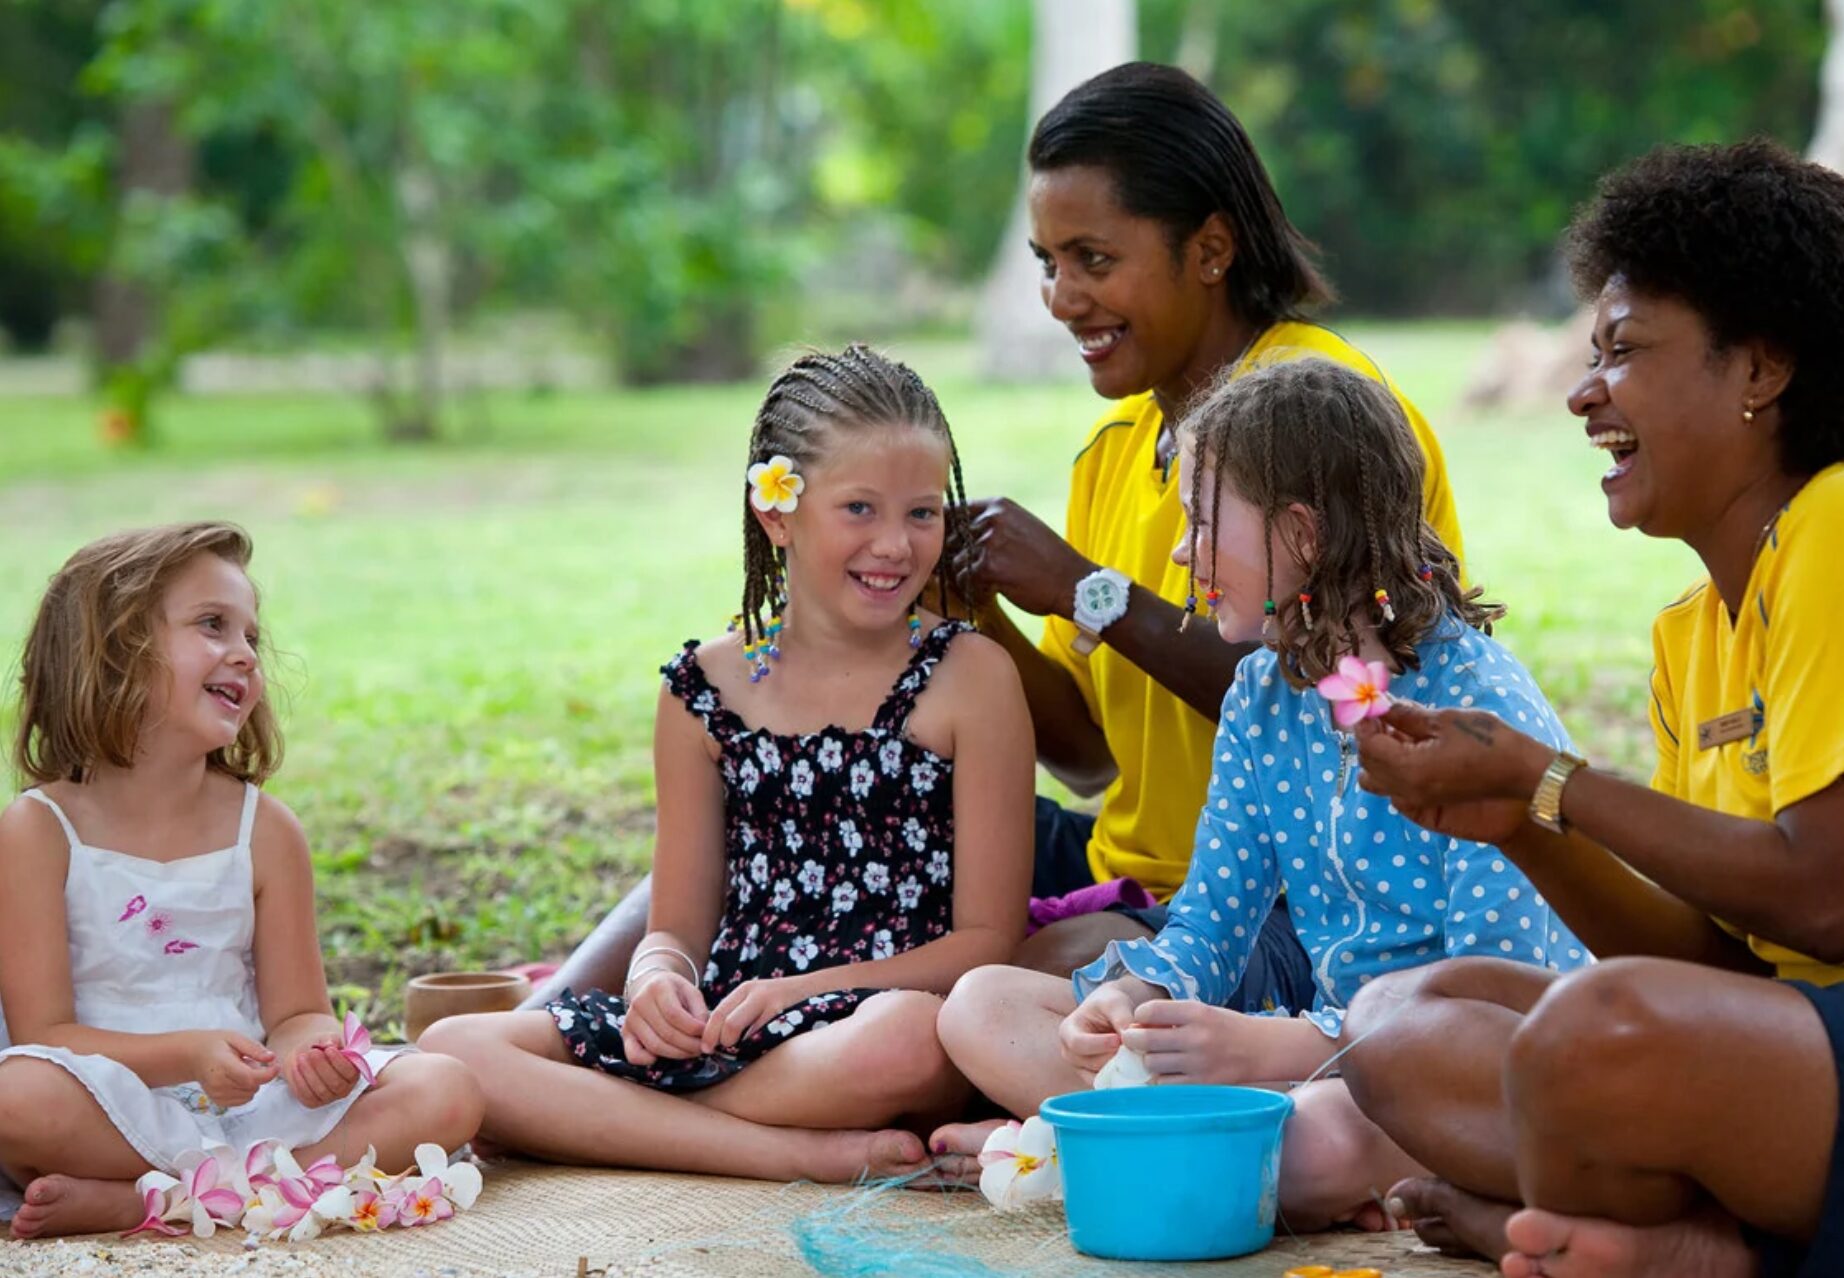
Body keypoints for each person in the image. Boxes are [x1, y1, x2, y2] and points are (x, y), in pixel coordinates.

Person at [1336, 139, 1844, 1278]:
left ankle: (1724, 1250)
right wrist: (1521, 821)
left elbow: (1831, 899)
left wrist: (1555, 782)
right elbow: (1727, 964)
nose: (1580, 391)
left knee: (1591, 1036)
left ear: (1759, 369)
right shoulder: (1688, 632)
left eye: (1624, 350)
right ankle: (1707, 1231)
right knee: (1400, 1019)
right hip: (1801, 1046)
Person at [933, 358, 1586, 1228]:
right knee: (984, 1006)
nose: (1178, 551)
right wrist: (1139, 999)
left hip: (1480, 1073)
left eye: (1202, 522)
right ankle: (1191, 1155)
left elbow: (1492, 996)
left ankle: (1105, 1149)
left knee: (1310, 1145)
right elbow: (1211, 918)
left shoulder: (1478, 707)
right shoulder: (1261, 695)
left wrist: (1269, 1046)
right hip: (1319, 1062)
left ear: (1303, 534)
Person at [423, 346, 1034, 1181]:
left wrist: (802, 989)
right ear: (777, 512)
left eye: (923, 514)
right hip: (722, 1027)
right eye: (859, 508)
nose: (895, 544)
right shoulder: (702, 690)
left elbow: (984, 944)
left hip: (871, 1026)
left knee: (914, 1041)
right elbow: (675, 923)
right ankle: (784, 1154)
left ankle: (610, 1124)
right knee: (453, 1047)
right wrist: (655, 982)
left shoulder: (973, 677)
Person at [961, 61, 1468, 982]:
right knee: (799, 826)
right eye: (1048, 263)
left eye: (1095, 260)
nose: (1062, 298)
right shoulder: (1112, 448)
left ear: (1211, 250)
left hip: (1299, 901)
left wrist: (1086, 591)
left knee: (999, 984)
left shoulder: (1323, 407)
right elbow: (1089, 761)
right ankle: (620, 1033)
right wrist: (974, 609)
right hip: (1129, 879)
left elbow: (1346, 704)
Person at [0, 522, 483, 1240]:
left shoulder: (264, 829)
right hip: (115, 1103)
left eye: (251, 636)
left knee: (447, 1087)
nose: (245, 654)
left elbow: (298, 1013)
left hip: (257, 1110)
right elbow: (46, 1033)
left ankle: (156, 1201)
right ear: (110, 652)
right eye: (212, 625)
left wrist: (312, 1055)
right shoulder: (38, 830)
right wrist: (188, 1054)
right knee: (15, 1096)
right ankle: (269, 1189)